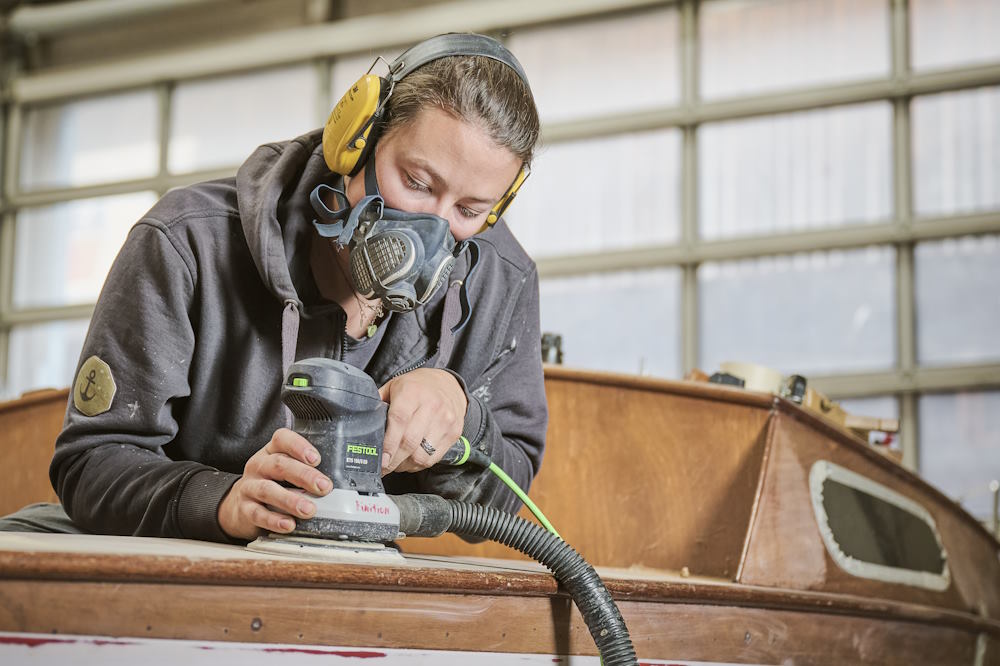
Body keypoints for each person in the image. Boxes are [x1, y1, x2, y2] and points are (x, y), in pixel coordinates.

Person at [0, 33, 547, 543]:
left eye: (470, 210)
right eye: (418, 183)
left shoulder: (501, 278)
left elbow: (505, 497)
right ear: (356, 141)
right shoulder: (187, 242)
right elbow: (92, 460)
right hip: (180, 559)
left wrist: (461, 418)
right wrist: (221, 501)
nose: (433, 229)